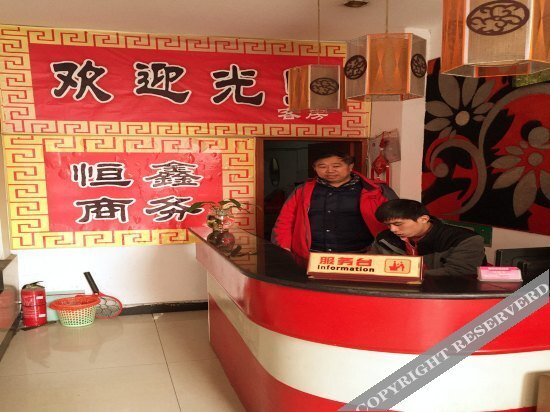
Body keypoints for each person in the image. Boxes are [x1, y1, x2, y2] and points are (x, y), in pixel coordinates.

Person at [271, 151, 397, 262]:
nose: (330, 171)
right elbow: (285, 221)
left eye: (336, 166)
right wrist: (284, 249)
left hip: (362, 256)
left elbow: (398, 220)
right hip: (312, 256)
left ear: (350, 166)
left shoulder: (376, 190)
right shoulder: (302, 191)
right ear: (315, 168)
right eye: (322, 166)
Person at [371, 199, 486, 276]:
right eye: (388, 225)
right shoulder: (384, 238)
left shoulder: (465, 239)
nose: (392, 229)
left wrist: (406, 275)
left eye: (398, 224)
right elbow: (372, 264)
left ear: (424, 219)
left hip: (447, 294)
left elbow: (460, 273)